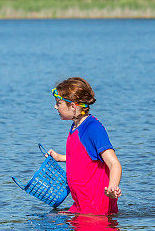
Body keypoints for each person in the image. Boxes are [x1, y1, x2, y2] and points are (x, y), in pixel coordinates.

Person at [45, 77, 122, 215]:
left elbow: (114, 163)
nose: (55, 107)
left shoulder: (93, 128)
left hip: (97, 210)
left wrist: (112, 187)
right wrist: (60, 157)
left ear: (73, 106)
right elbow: (83, 158)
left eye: (58, 103)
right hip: (81, 206)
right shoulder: (76, 126)